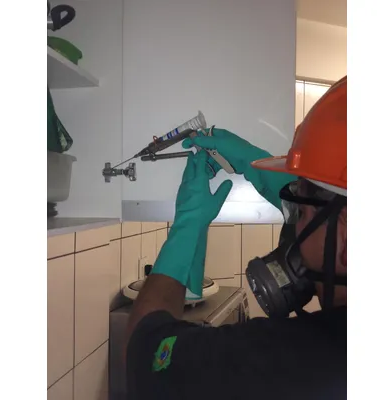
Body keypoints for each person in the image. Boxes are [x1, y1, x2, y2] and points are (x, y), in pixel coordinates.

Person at [125, 76, 347, 400]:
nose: (296, 228)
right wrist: (256, 166)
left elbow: (145, 354)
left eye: (301, 211)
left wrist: (188, 223)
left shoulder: (298, 362)